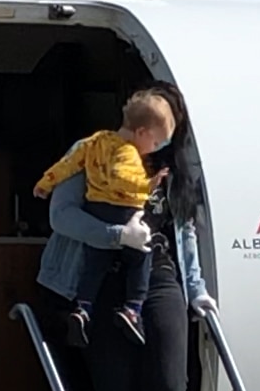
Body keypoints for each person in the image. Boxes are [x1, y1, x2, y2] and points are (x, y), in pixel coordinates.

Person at [37, 81, 217, 391]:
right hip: (100, 270)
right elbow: (62, 215)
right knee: (114, 387)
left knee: (169, 386)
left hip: (157, 270)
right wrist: (116, 236)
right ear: (142, 126)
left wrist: (196, 288)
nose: (162, 140)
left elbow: (185, 231)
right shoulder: (95, 151)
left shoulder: (171, 170)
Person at [33, 90, 178, 348]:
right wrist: (148, 187)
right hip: (103, 240)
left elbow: (63, 167)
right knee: (139, 254)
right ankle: (132, 308)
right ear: (142, 133)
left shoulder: (93, 144)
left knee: (94, 266)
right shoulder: (125, 154)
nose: (155, 149)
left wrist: (45, 183)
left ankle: (84, 309)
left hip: (100, 245)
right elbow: (122, 182)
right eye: (156, 142)